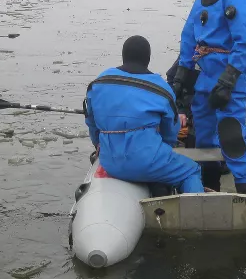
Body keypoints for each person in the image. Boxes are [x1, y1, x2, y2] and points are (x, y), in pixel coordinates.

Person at [171, 0, 246, 194]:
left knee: (231, 136)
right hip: (205, 84)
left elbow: (243, 45)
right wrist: (180, 81)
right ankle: (210, 188)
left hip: (230, 83)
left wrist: (227, 82)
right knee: (205, 139)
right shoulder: (200, 2)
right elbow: (188, 42)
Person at [84, 35, 204, 194]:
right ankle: (194, 214)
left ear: (123, 56)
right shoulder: (161, 88)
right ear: (148, 59)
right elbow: (170, 133)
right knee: (192, 170)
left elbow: (91, 122)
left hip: (110, 162)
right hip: (148, 161)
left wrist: (98, 143)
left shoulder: (99, 82)